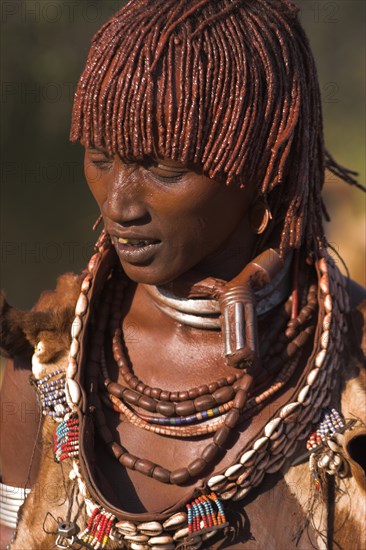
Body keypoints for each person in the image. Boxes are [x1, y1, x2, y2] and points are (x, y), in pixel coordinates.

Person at [1, 0, 365, 548]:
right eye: (101, 158)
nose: (119, 205)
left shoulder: (354, 367)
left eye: (165, 169)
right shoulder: (43, 367)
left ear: (265, 167)